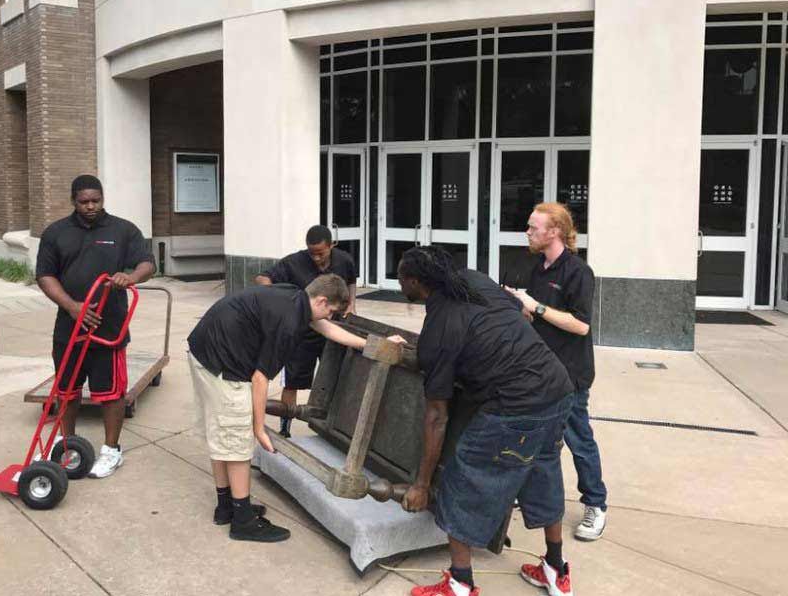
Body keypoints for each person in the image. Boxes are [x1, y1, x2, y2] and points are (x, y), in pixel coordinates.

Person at [398, 246, 576, 596]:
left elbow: (437, 416)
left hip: (515, 405)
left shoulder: (437, 330)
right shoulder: (474, 280)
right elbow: (521, 313)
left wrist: (421, 484)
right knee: (543, 472)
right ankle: (556, 570)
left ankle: (460, 583)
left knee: (463, 481)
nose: (400, 282)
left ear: (415, 282)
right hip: (557, 388)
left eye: (402, 277)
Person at [187, 274, 403, 542]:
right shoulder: (288, 322)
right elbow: (260, 378)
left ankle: (227, 507)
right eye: (332, 311)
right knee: (237, 443)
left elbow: (326, 328)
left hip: (203, 352)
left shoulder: (295, 295)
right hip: (223, 365)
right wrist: (258, 428)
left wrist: (373, 344)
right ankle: (242, 521)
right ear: (323, 300)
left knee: (221, 435)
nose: (332, 317)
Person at [36, 174, 156, 479]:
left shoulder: (123, 230)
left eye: (96, 201)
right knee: (67, 390)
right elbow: (45, 276)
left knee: (111, 393)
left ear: (103, 198)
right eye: (84, 202)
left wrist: (131, 277)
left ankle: (111, 451)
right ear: (73, 201)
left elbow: (147, 263)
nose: (91, 207)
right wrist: (73, 307)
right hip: (69, 327)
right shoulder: (56, 233)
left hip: (109, 328)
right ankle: (67, 444)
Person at [507, 202, 608, 542]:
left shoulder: (578, 272)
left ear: (555, 232)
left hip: (570, 374)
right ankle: (530, 496)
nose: (528, 232)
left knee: (578, 440)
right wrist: (520, 308)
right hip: (539, 370)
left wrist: (534, 305)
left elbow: (580, 325)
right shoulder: (537, 267)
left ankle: (596, 504)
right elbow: (540, 317)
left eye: (534, 227)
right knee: (536, 437)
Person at [254, 224, 357, 437]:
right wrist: (274, 298)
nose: (316, 258)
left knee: (335, 380)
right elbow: (262, 278)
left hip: (333, 330)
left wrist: (352, 304)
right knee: (293, 381)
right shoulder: (293, 262)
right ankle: (285, 428)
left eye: (321, 253)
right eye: (312, 253)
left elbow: (351, 282)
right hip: (302, 334)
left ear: (332, 245)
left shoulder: (344, 260)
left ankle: (330, 426)